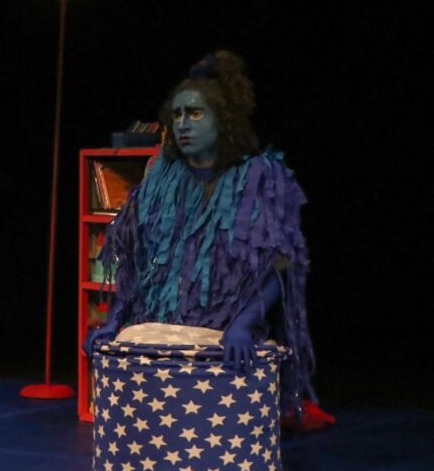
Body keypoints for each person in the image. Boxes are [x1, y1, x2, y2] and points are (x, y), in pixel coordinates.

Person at [83, 50, 332, 429]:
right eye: (177, 115)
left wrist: (245, 322)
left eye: (196, 114)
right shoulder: (161, 178)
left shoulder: (259, 176)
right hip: (160, 328)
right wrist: (113, 322)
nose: (183, 124)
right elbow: (135, 262)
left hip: (223, 328)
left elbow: (281, 264)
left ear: (223, 119)